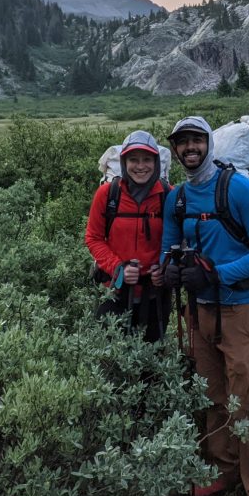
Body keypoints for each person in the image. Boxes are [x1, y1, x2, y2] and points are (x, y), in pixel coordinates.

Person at [156, 116, 249, 496]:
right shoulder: (177, 198)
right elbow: (170, 246)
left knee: (246, 402)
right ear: (174, 149)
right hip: (199, 311)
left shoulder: (237, 188)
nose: (189, 148)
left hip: (239, 308)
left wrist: (215, 272)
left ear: (208, 144)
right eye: (181, 142)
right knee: (212, 393)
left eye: (196, 141)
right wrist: (169, 269)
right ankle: (223, 470)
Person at [85, 130, 171, 342]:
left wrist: (164, 267)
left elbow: (176, 241)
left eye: (147, 159)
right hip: (114, 290)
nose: (140, 166)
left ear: (156, 162)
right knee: (112, 356)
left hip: (155, 294)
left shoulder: (168, 195)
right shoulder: (107, 194)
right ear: (124, 162)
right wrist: (118, 268)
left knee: (152, 359)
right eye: (133, 159)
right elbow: (93, 237)